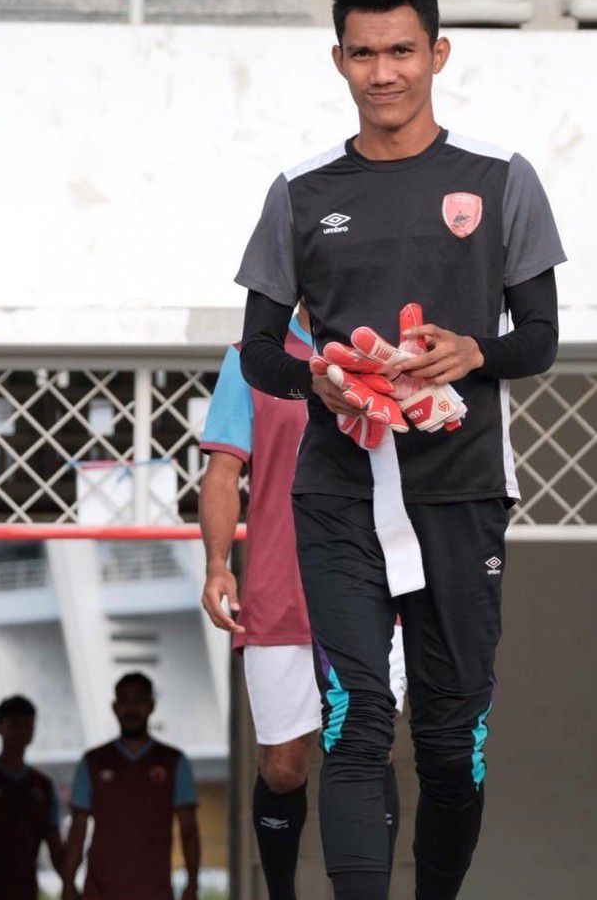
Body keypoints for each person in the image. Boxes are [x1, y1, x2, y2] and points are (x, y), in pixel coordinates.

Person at [235, 0, 566, 900]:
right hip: (339, 491)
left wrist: (473, 351)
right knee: (356, 722)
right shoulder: (300, 190)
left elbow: (540, 339)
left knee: (452, 741)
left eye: (402, 51)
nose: (383, 73)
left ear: (438, 54)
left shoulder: (500, 178)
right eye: (363, 53)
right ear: (338, 59)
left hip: (462, 489)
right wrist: (319, 380)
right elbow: (258, 351)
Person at [198, 299, 406, 900]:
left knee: (370, 746)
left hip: (372, 583)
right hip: (278, 586)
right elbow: (222, 473)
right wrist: (217, 564)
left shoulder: (385, 349)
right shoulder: (253, 359)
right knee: (284, 767)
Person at [62, 672, 200, 900]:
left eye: (139, 700)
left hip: (155, 892)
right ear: (115, 707)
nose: (132, 708)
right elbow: (77, 829)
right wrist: (68, 883)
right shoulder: (92, 762)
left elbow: (189, 829)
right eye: (125, 700)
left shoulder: (174, 762)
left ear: (151, 705)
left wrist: (193, 882)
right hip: (100, 891)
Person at [0, 694, 63, 900]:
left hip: (25, 889)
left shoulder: (43, 786)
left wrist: (69, 884)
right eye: (15, 724)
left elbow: (54, 843)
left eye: (27, 724)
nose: (22, 731)